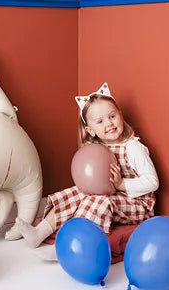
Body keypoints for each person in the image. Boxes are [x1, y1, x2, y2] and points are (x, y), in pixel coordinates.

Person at [16, 83, 159, 254]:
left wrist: (122, 184)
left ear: (120, 115)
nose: (109, 123)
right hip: (111, 196)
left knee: (99, 200)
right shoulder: (96, 150)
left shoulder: (133, 147)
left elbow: (153, 182)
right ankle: (40, 232)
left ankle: (73, 245)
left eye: (112, 116)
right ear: (91, 130)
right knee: (75, 193)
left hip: (137, 205)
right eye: (100, 121)